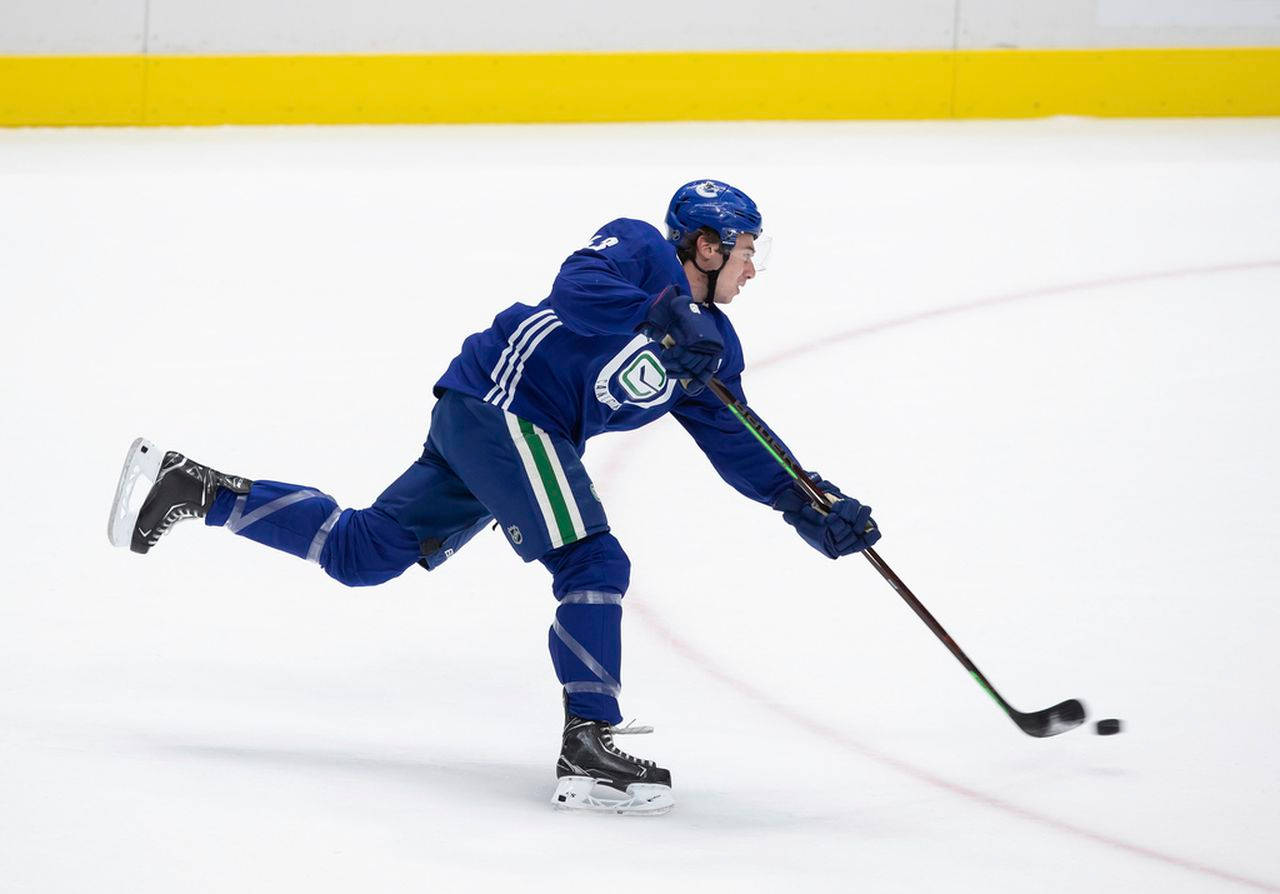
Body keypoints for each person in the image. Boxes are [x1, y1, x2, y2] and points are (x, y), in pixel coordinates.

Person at [107, 179, 881, 815]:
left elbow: (736, 436)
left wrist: (807, 502)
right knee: (593, 559)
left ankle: (198, 489)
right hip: (502, 410)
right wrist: (662, 312)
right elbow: (577, 288)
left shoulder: (711, 348)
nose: (754, 269)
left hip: (504, 429)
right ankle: (590, 743)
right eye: (747, 252)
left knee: (364, 553)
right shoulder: (637, 247)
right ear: (707, 245)